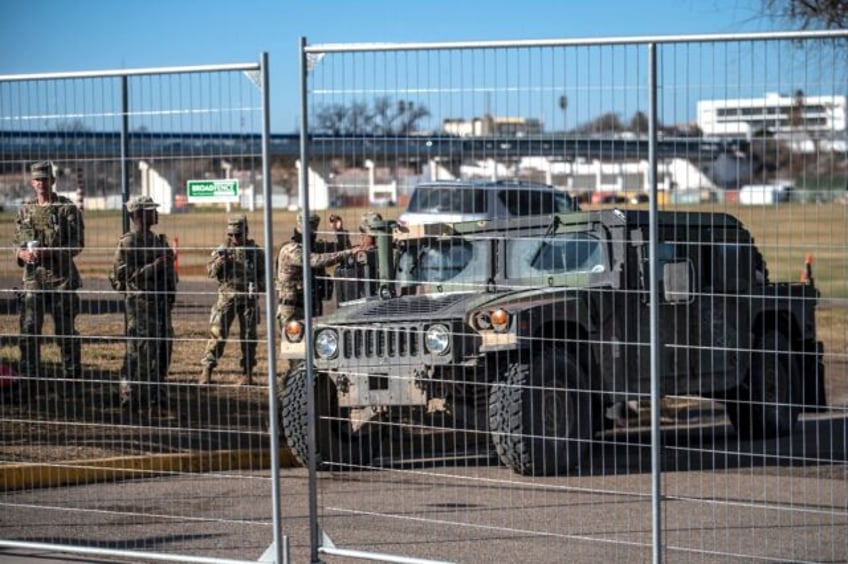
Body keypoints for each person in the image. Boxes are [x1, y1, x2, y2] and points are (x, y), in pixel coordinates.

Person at [14, 160, 85, 399]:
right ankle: (30, 382)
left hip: (61, 280)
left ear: (53, 181)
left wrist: (49, 252)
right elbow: (18, 243)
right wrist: (22, 254)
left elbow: (77, 245)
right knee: (30, 330)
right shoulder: (25, 210)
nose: (41, 184)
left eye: (45, 179)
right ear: (32, 182)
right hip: (33, 279)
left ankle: (71, 382)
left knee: (65, 332)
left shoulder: (66, 209)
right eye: (37, 179)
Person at [108, 195, 177, 417]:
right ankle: (132, 399)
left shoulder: (157, 241)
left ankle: (157, 400)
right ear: (138, 215)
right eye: (150, 210)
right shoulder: (129, 242)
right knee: (140, 353)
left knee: (162, 352)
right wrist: (155, 266)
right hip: (140, 307)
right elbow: (125, 277)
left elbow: (169, 276)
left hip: (160, 306)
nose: (155, 213)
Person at [275, 213, 372, 331]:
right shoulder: (290, 250)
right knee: (295, 345)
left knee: (315, 342)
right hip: (293, 309)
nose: (312, 231)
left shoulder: (314, 246)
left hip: (313, 304)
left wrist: (339, 230)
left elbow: (342, 247)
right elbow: (317, 260)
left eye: (313, 228)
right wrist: (349, 253)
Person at [199, 215, 266, 385]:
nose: (235, 239)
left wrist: (259, 285)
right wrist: (219, 263)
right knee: (217, 335)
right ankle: (207, 370)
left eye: (238, 235)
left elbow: (265, 276)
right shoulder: (222, 250)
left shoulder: (255, 252)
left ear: (246, 232)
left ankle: (248, 373)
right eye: (231, 235)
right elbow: (210, 272)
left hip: (248, 301)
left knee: (249, 337)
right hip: (226, 299)